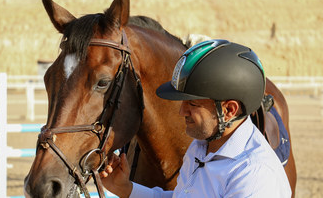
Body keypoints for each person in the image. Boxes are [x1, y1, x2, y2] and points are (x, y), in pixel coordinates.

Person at [100, 39, 291, 197]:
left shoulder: (253, 176)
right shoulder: (203, 145)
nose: (182, 111)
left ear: (229, 110)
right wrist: (124, 188)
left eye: (193, 104)